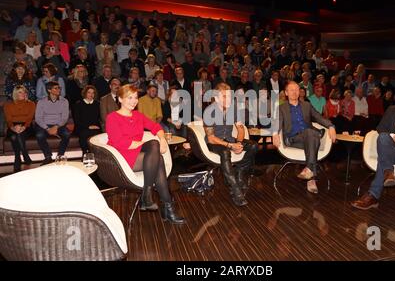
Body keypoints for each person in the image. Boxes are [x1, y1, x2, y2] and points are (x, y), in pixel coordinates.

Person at [106, 85, 185, 224]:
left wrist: (162, 139)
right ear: (120, 99)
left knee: (157, 154)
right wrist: (139, 143)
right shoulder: (112, 117)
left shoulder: (137, 115)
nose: (133, 101)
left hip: (140, 155)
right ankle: (165, 207)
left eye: (135, 97)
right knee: (154, 149)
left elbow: (155, 127)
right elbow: (118, 142)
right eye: (129, 97)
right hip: (123, 158)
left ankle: (155, 201)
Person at [272, 82, 337, 194]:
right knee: (312, 134)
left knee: (311, 136)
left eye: (297, 89)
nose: (295, 92)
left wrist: (331, 126)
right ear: (286, 93)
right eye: (291, 90)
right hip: (293, 139)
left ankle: (310, 172)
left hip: (309, 138)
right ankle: (312, 176)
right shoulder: (281, 108)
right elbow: (277, 121)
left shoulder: (307, 105)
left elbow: (318, 117)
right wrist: (274, 134)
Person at [204, 82, 259, 207]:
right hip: (215, 142)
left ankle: (239, 173)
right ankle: (235, 190)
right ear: (217, 98)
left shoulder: (233, 109)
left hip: (229, 139)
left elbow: (240, 129)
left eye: (230, 96)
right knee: (225, 152)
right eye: (225, 97)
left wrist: (238, 143)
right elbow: (211, 138)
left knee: (253, 145)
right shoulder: (209, 111)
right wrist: (230, 146)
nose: (229, 99)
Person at [35, 81, 71, 165]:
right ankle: (48, 157)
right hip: (44, 125)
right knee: (39, 135)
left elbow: (64, 118)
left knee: (66, 134)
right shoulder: (41, 102)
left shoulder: (64, 101)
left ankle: (60, 156)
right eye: (56, 88)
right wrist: (47, 128)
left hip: (59, 124)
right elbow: (38, 118)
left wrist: (56, 127)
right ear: (49, 90)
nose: (59, 90)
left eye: (59, 88)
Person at [4, 86, 36, 172]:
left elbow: (29, 118)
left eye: (24, 91)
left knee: (16, 136)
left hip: (27, 125)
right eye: (20, 92)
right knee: (15, 136)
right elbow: (8, 120)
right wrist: (13, 127)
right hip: (13, 125)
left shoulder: (31, 104)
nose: (23, 93)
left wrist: (24, 126)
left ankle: (18, 158)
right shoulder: (8, 105)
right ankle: (22, 156)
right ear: (15, 94)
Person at [73, 85, 102, 154]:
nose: (91, 94)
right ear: (85, 93)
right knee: (85, 134)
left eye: (93, 93)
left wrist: (97, 126)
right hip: (82, 127)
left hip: (95, 127)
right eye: (89, 92)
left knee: (98, 134)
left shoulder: (97, 104)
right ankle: (86, 154)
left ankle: (95, 155)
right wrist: (88, 126)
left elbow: (99, 118)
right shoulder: (78, 104)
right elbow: (77, 120)